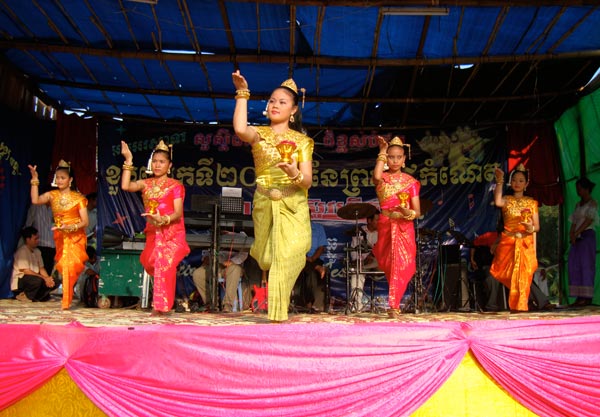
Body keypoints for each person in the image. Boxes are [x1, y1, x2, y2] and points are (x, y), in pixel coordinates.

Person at [232, 70, 314, 322]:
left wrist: (293, 174)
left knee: (291, 251)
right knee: (267, 257)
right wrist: (242, 93)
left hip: (293, 202)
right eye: (272, 101)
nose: (275, 104)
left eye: (282, 102)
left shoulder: (302, 141)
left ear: (293, 111)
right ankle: (277, 306)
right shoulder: (259, 134)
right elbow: (239, 129)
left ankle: (279, 312)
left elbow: (308, 181)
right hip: (265, 201)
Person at [120, 140, 190, 315]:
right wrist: (128, 160)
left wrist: (163, 219)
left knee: (164, 264)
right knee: (150, 262)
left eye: (162, 161)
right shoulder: (146, 183)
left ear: (169, 165)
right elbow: (126, 186)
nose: (158, 165)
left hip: (172, 232)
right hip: (153, 232)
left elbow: (178, 212)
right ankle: (162, 305)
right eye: (155, 161)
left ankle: (161, 306)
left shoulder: (176, 186)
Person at [28, 160, 89, 310]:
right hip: (61, 237)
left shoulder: (78, 198)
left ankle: (65, 302)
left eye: (63, 177)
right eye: (57, 177)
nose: (59, 180)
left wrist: (70, 227)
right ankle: (66, 300)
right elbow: (35, 200)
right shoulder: (52, 195)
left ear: (70, 180)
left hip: (75, 237)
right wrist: (35, 180)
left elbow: (85, 222)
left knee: (71, 265)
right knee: (64, 267)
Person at [372, 136, 421, 318]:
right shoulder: (382, 179)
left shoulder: (411, 182)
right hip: (385, 225)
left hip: (404, 226)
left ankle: (394, 305)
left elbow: (417, 211)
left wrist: (406, 212)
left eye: (398, 157)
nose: (394, 160)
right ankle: (394, 304)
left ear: (404, 159)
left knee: (403, 264)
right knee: (388, 264)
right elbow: (376, 175)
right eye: (391, 157)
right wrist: (382, 151)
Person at [489, 163, 539, 312]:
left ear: (526, 184)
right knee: (510, 276)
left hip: (525, 243)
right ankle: (517, 307)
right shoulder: (507, 199)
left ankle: (520, 308)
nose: (517, 183)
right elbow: (497, 201)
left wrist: (531, 228)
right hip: (508, 243)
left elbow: (537, 226)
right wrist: (499, 182)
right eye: (515, 180)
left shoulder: (531, 203)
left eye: (521, 181)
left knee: (523, 277)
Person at [192, 243, 249, 313]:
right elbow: (206, 252)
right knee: (198, 274)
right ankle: (210, 303)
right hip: (215, 265)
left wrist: (232, 261)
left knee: (235, 270)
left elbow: (244, 253)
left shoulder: (241, 235)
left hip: (233, 265)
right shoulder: (211, 234)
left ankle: (227, 304)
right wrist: (207, 258)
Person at [567, 177, 598, 307]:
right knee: (575, 265)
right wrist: (572, 233)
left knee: (586, 265)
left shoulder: (593, 203)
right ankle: (579, 296)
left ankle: (587, 297)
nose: (578, 191)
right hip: (577, 237)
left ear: (586, 189)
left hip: (587, 235)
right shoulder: (577, 205)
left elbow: (589, 220)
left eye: (579, 188)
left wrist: (578, 232)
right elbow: (574, 221)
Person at [11, 226, 59, 302]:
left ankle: (38, 296)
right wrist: (44, 278)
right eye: (35, 239)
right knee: (37, 281)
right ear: (28, 239)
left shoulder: (37, 251)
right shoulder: (22, 251)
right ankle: (24, 295)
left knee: (55, 281)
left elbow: (41, 268)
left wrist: (48, 279)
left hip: (35, 277)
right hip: (22, 279)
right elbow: (26, 271)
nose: (38, 241)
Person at [294, 220, 328, 313]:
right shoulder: (295, 228)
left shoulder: (318, 228)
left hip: (314, 258)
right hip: (300, 257)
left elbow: (321, 247)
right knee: (304, 266)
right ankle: (317, 267)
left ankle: (309, 304)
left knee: (309, 272)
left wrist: (312, 259)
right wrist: (305, 257)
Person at [349, 211, 380, 312]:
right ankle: (356, 305)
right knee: (356, 273)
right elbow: (354, 252)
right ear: (369, 220)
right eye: (377, 220)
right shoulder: (359, 232)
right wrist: (361, 260)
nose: (379, 222)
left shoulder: (382, 232)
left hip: (378, 264)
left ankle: (394, 305)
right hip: (363, 264)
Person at [24, 202, 56, 274]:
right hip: (40, 244)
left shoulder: (55, 207)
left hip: (53, 244)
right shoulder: (36, 207)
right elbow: (28, 224)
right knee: (40, 270)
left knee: (49, 271)